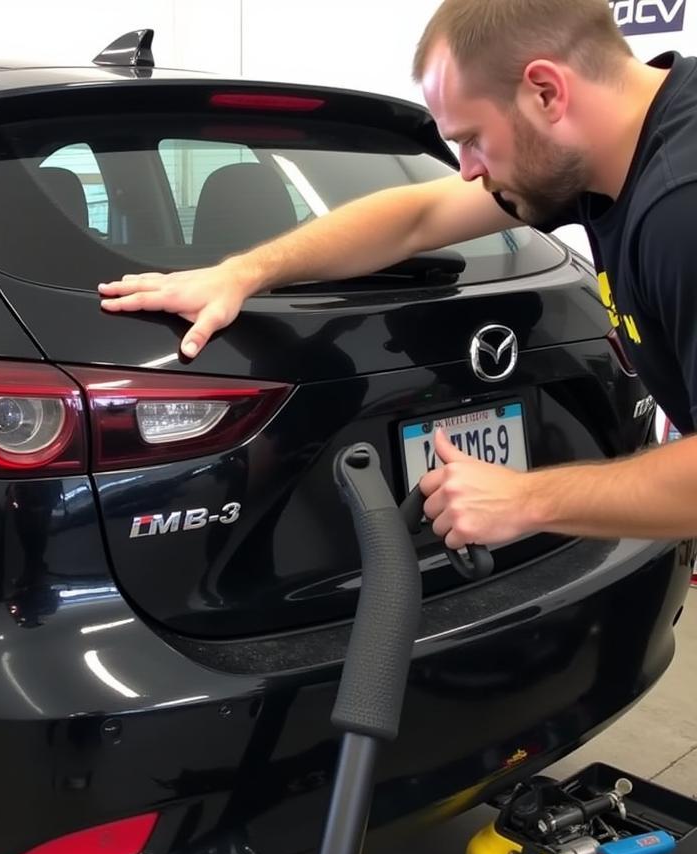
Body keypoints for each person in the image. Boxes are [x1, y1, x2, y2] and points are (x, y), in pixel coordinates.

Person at [97, 0, 697, 553]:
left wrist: (525, 500)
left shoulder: (679, 207)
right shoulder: (612, 141)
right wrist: (242, 273)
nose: (466, 172)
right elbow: (416, 217)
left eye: (473, 140)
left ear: (545, 92)